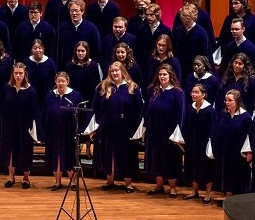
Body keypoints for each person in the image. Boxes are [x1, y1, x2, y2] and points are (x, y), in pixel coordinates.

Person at [88, 62, 143, 193]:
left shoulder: (132, 87)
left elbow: (139, 109)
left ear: (122, 71)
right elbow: (95, 107)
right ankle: (109, 180)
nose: (114, 73)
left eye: (117, 71)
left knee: (126, 155)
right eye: (112, 71)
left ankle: (128, 183)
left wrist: (135, 128)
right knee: (109, 154)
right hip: (107, 128)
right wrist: (97, 125)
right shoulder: (103, 87)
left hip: (126, 129)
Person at [143, 64, 185, 198]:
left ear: (170, 76)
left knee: (170, 159)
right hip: (155, 131)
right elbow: (147, 110)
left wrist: (177, 134)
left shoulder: (178, 93)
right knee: (156, 158)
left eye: (165, 74)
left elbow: (181, 114)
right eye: (160, 74)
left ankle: (173, 188)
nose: (162, 77)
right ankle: (159, 185)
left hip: (170, 133)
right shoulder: (153, 90)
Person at [0, 63, 40, 189]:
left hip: (24, 127)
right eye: (16, 73)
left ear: (24, 74)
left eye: (20, 73)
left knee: (25, 152)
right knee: (10, 151)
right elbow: (1, 106)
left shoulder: (31, 90)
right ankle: (11, 177)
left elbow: (35, 110)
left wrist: (33, 127)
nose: (18, 75)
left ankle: (26, 179)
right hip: (8, 125)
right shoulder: (6, 88)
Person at [42, 71, 82, 190]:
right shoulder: (49, 95)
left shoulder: (75, 96)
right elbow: (44, 114)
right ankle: (57, 182)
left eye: (63, 81)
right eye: (58, 81)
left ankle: (73, 182)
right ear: (55, 82)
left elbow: (80, 114)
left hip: (69, 132)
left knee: (70, 157)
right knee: (56, 157)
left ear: (67, 82)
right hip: (53, 132)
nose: (60, 83)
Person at [211, 89, 252, 202]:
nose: (227, 102)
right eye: (226, 100)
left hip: (238, 152)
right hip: (225, 150)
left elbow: (249, 136)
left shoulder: (245, 117)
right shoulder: (223, 114)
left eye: (230, 100)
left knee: (238, 173)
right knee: (227, 172)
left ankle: (239, 197)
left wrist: (248, 152)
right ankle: (228, 194)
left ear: (237, 101)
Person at [182, 83, 215, 202]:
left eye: (196, 92)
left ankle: (207, 194)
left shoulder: (209, 110)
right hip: (192, 142)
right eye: (192, 92)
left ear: (204, 95)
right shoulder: (190, 108)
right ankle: (194, 191)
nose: (193, 94)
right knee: (193, 166)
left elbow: (212, 128)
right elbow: (186, 125)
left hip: (204, 143)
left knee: (206, 168)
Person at [65, 41, 101, 131]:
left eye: (83, 51)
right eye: (78, 51)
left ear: (87, 51)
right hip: (74, 100)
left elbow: (98, 85)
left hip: (89, 100)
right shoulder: (70, 66)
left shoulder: (93, 65)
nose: (80, 53)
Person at [57, 0, 101, 68]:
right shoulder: (62, 28)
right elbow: (57, 49)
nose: (74, 13)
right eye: (72, 11)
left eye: (76, 11)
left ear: (82, 11)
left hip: (86, 67)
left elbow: (97, 49)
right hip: (67, 67)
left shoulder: (91, 28)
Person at [173, 4, 213, 77]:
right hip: (180, 69)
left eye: (188, 19)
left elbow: (205, 54)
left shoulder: (201, 33)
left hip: (196, 70)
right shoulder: (178, 31)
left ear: (194, 18)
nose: (185, 22)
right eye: (183, 19)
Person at [135, 3, 172, 68]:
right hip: (144, 63)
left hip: (161, 63)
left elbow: (170, 49)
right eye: (147, 15)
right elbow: (138, 48)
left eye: (151, 15)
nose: (149, 17)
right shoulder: (141, 29)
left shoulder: (166, 30)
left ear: (157, 14)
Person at [24, 38, 56, 108]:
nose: (38, 50)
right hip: (29, 96)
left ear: (43, 49)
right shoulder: (26, 62)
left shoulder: (50, 63)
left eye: (40, 48)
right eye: (35, 48)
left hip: (45, 96)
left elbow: (53, 82)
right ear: (31, 50)